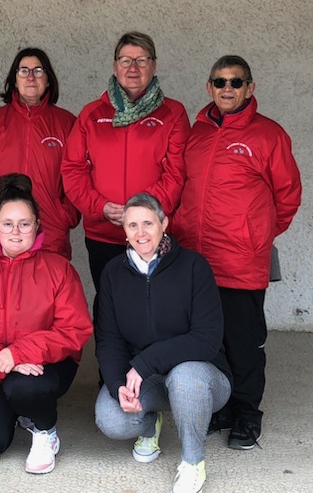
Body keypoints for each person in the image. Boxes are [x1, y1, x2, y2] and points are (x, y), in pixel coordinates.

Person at [172, 55, 301, 450]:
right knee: (208, 342)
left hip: (240, 262)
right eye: (220, 82)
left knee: (244, 343)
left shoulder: (269, 136)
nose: (228, 88)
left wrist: (256, 236)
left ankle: (247, 414)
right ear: (209, 87)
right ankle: (222, 407)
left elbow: (288, 197)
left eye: (236, 81)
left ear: (250, 88)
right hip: (194, 260)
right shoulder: (195, 133)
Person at [0, 173, 92, 474]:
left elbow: (74, 329)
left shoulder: (58, 268)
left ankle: (44, 431)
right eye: (7, 224)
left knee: (24, 387)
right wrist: (1, 360)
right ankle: (14, 412)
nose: (16, 232)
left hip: (42, 369)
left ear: (37, 225)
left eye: (24, 224)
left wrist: (19, 353)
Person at [95, 193, 231, 493]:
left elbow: (206, 339)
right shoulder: (113, 273)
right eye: (132, 225)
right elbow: (108, 339)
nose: (141, 233)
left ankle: (193, 462)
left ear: (164, 223)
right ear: (124, 230)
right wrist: (119, 382)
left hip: (201, 379)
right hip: (150, 380)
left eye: (148, 223)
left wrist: (143, 364)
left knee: (185, 378)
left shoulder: (194, 266)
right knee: (110, 417)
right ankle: (150, 424)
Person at [62, 31, 190, 297]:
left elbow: (177, 173)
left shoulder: (173, 113)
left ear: (154, 66)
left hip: (151, 233)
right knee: (109, 305)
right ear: (114, 66)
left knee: (153, 305)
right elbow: (73, 169)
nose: (133, 68)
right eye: (125, 60)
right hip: (103, 232)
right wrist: (100, 207)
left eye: (142, 60)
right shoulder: (92, 114)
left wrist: (140, 216)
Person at [0, 48, 79, 259]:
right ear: (14, 80)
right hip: (4, 231)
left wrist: (65, 215)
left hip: (50, 230)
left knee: (48, 290)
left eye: (38, 70)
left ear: (48, 79)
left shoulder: (67, 123)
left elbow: (77, 175)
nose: (31, 77)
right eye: (24, 71)